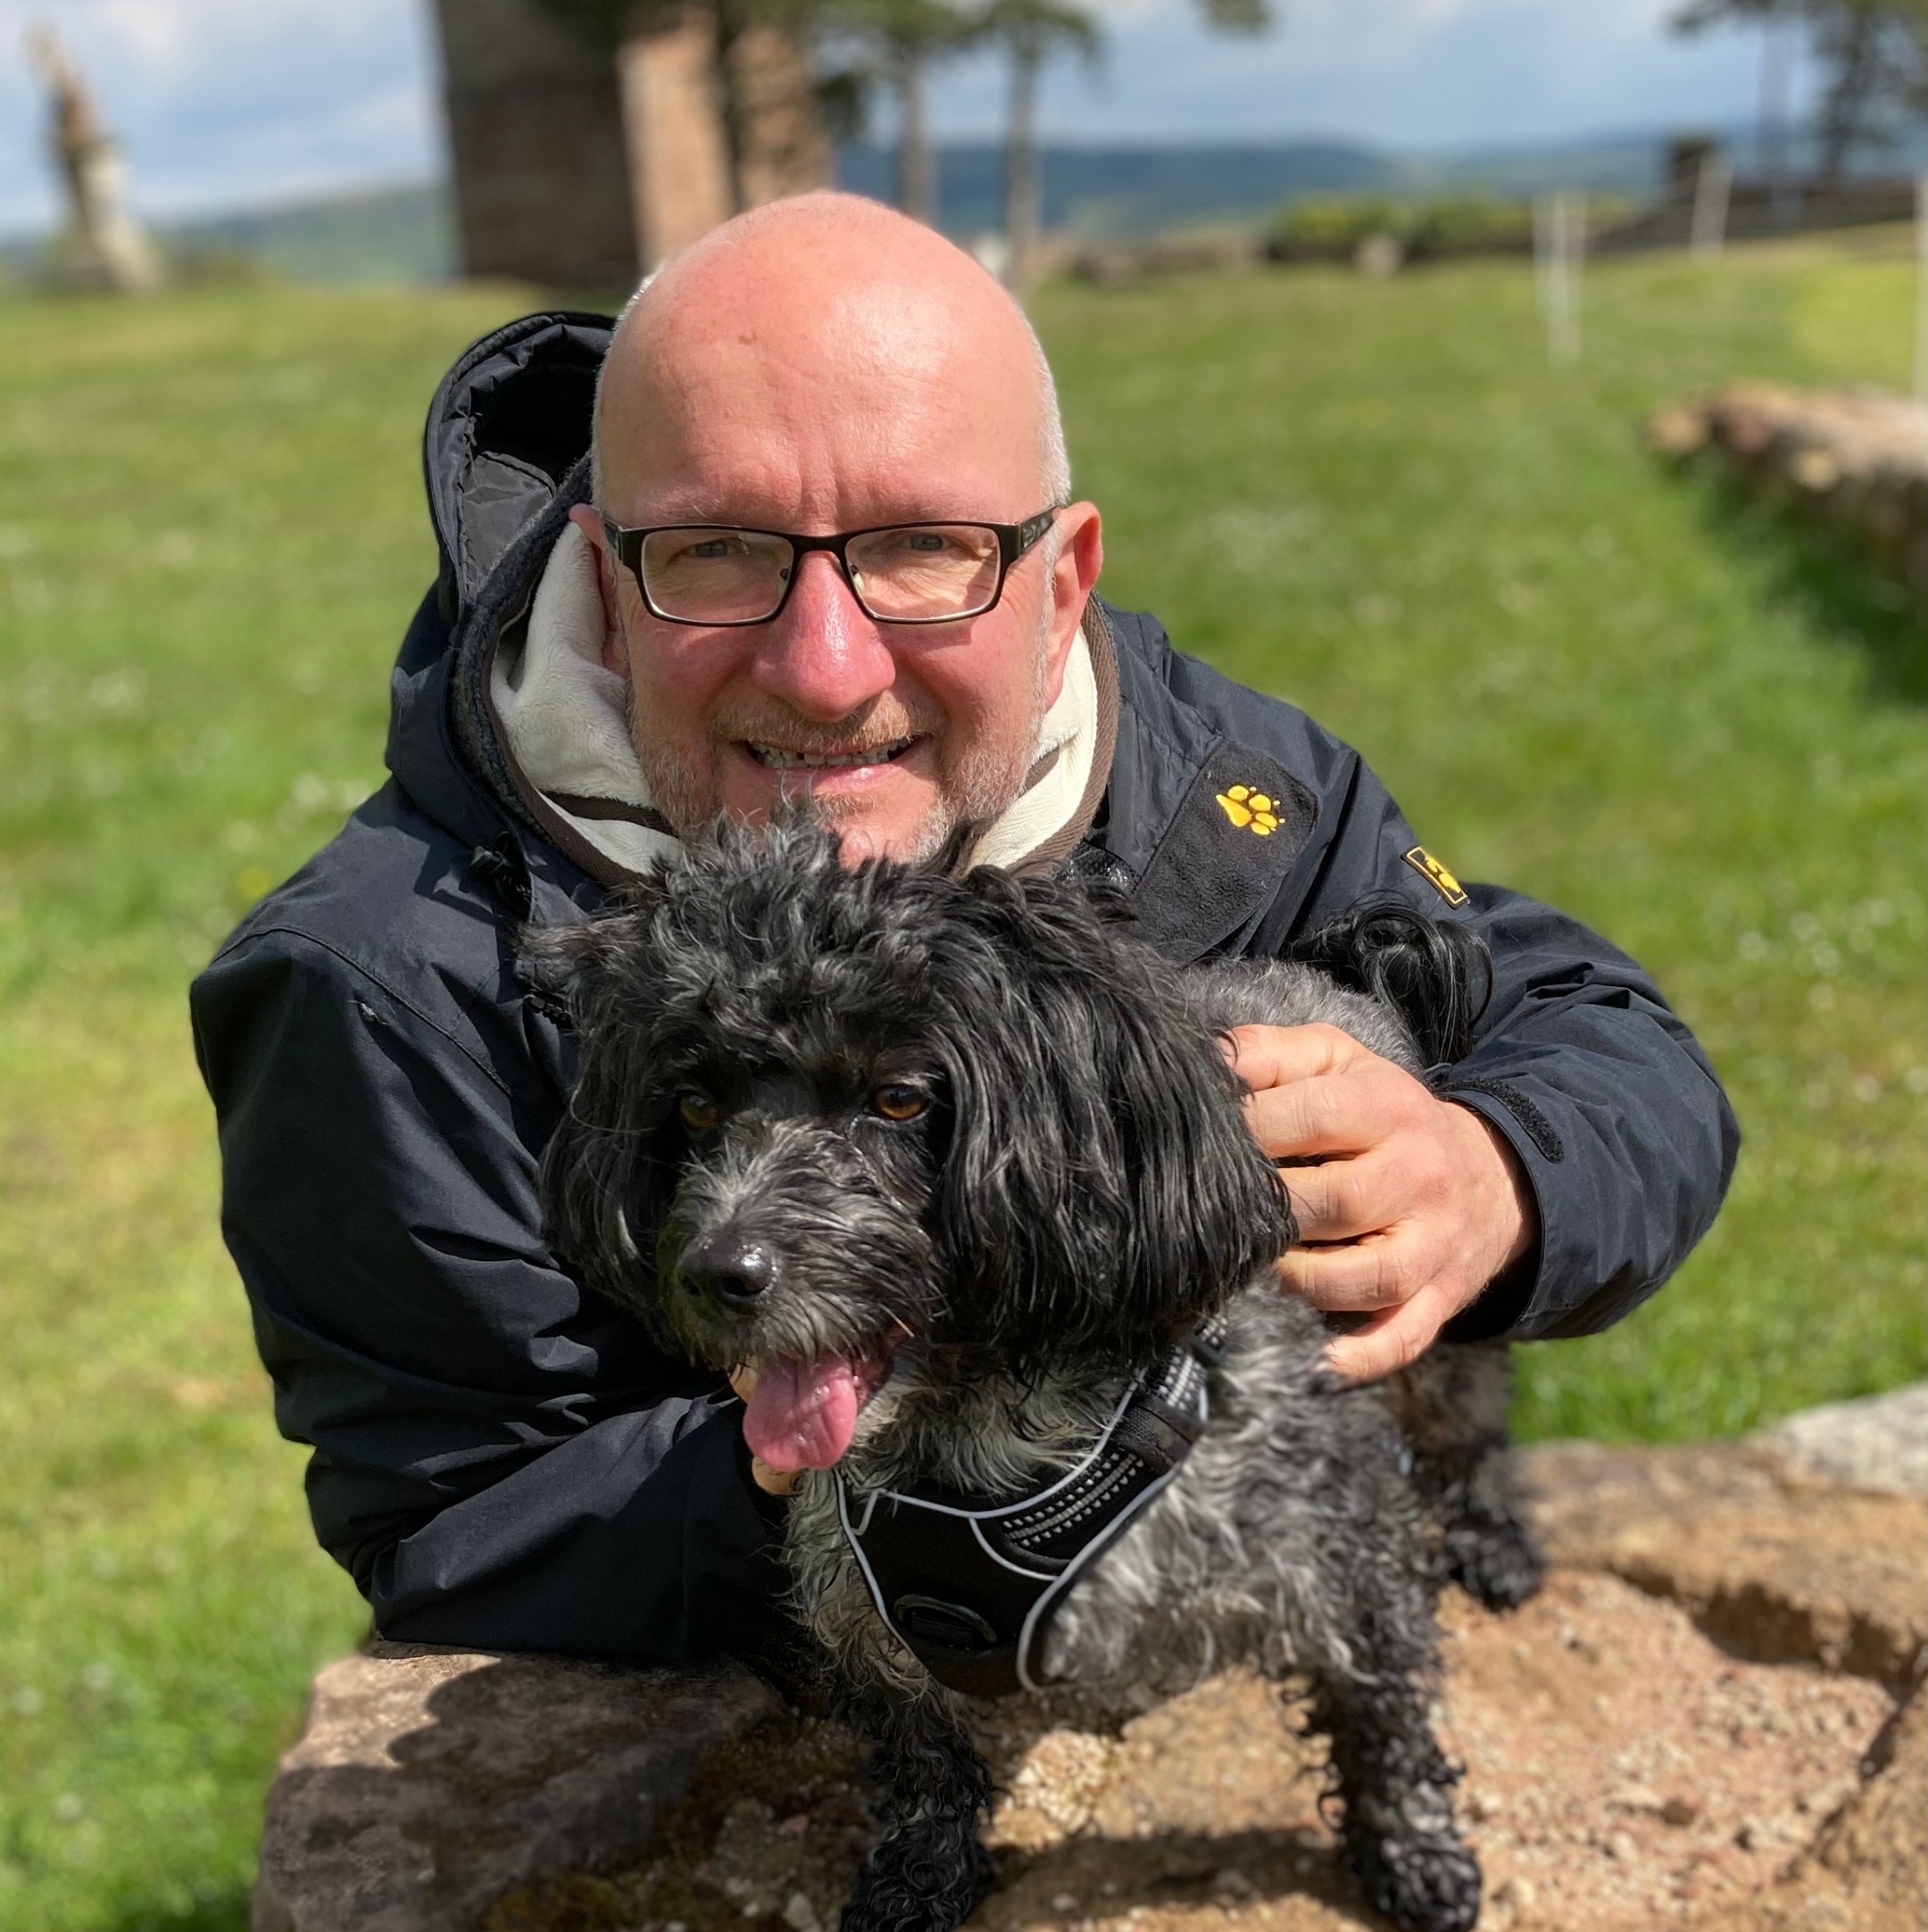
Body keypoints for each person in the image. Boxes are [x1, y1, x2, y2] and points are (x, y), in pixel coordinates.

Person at [191, 195, 1737, 1658]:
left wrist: (1501, 1177)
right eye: (718, 550)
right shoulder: (388, 987)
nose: (823, 666)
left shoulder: (1209, 782)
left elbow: (1582, 1017)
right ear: (605, 574)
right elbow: (462, 1517)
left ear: (1061, 582)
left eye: (924, 547)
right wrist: (901, 1479)